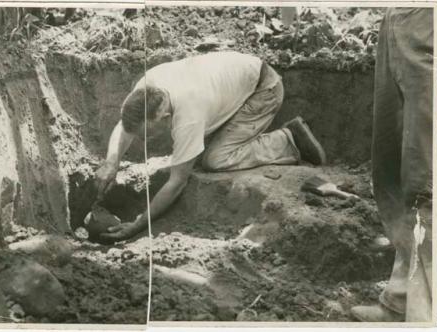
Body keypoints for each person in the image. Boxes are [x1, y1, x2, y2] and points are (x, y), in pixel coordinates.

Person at [95, 51, 326, 242]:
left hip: (263, 90)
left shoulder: (189, 116)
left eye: (148, 133)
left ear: (165, 116)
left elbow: (177, 183)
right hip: (235, 82)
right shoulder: (146, 87)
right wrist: (111, 162)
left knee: (215, 159)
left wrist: (137, 225)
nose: (144, 141)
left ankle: (288, 140)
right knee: (194, 149)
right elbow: (126, 126)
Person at [350, 8, 434, 322]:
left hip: (431, 28)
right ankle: (401, 299)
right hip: (399, 20)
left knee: (428, 179)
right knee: (395, 168)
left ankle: (424, 317)